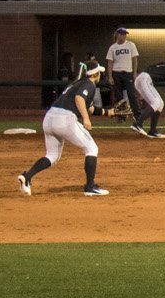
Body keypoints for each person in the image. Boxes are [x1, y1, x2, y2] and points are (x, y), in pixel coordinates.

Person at [16, 59, 110, 197]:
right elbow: (79, 100)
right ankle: (90, 187)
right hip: (64, 119)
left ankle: (27, 177)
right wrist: (85, 118)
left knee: (52, 155)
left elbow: (88, 107)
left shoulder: (76, 83)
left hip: (49, 118)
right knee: (91, 148)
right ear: (95, 74)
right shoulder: (89, 84)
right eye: (99, 73)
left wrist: (109, 112)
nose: (100, 75)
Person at [105, 26, 141, 123]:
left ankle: (137, 114)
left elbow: (135, 59)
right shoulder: (113, 47)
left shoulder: (131, 45)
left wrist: (134, 72)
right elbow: (110, 62)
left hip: (128, 73)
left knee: (131, 94)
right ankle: (122, 115)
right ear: (118, 35)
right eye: (122, 34)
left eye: (125, 34)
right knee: (119, 96)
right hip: (116, 73)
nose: (124, 36)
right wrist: (110, 76)